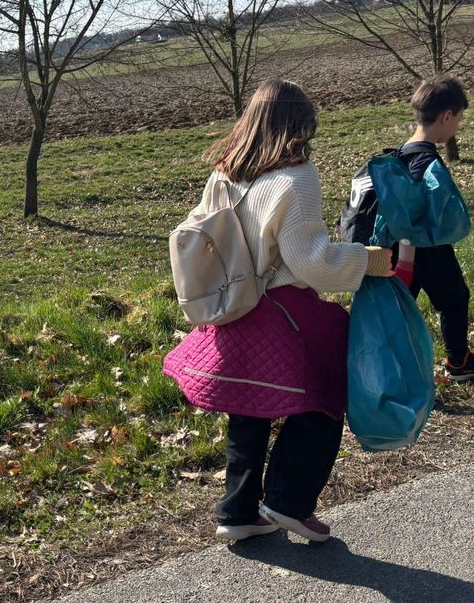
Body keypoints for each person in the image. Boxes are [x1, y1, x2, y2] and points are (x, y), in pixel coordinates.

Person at [163, 79, 392, 544]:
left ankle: (237, 511)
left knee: (248, 408)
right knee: (325, 394)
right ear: (299, 126)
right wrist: (367, 259)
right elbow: (310, 260)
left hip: (233, 307)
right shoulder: (297, 178)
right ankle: (289, 501)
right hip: (282, 307)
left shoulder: (224, 173)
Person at [390, 75, 472, 380]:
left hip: (400, 249)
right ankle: (458, 361)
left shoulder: (401, 153)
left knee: (400, 311)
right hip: (423, 247)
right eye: (459, 119)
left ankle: (394, 372)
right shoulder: (427, 161)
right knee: (455, 298)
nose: (458, 126)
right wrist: (408, 263)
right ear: (446, 116)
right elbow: (420, 214)